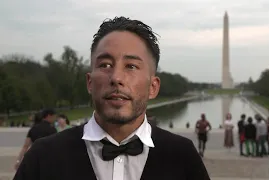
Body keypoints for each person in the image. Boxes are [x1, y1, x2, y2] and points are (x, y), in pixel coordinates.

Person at [14, 16, 210, 180]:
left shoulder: (183, 157)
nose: (116, 78)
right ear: (89, 82)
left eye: (131, 66)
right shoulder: (42, 157)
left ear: (153, 87)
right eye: (106, 65)